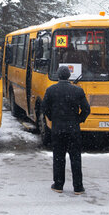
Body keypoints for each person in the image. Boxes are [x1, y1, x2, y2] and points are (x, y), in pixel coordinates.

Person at [42, 65, 91, 195]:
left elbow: (44, 107)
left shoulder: (51, 90)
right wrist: (78, 120)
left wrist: (53, 118)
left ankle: (58, 185)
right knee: (75, 158)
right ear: (69, 76)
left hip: (58, 129)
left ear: (58, 76)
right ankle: (78, 187)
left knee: (58, 157)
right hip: (73, 130)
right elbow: (86, 109)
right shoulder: (77, 91)